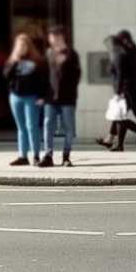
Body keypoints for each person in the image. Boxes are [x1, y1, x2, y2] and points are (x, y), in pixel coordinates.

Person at [97, 34, 136, 152]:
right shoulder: (124, 54)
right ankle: (118, 143)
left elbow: (120, 76)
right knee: (121, 116)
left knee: (120, 117)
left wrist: (118, 93)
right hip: (128, 88)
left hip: (127, 89)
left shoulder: (120, 56)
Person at [3, 33, 48, 167]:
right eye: (18, 45)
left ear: (29, 46)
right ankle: (22, 156)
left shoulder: (37, 61)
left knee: (31, 125)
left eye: (23, 45)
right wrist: (14, 61)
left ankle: (35, 155)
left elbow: (43, 80)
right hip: (15, 96)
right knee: (21, 127)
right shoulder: (12, 61)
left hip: (31, 96)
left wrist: (41, 96)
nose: (21, 48)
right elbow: (6, 75)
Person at [40, 25, 80, 168]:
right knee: (47, 126)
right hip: (50, 98)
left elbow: (76, 76)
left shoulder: (71, 54)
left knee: (68, 127)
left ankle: (66, 157)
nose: (53, 39)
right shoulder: (48, 54)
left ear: (62, 37)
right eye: (51, 37)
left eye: (56, 36)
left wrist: (64, 62)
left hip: (67, 98)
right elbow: (43, 76)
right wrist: (41, 95)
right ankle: (48, 156)